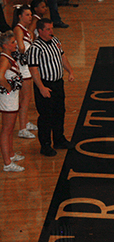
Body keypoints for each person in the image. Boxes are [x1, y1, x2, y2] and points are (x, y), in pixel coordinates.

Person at [27, 18, 75, 157]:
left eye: (51, 28)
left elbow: (63, 57)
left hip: (58, 83)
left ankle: (59, 139)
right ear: (40, 31)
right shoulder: (35, 48)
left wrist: (70, 71)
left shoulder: (55, 40)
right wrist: (41, 87)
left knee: (60, 111)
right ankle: (45, 145)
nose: (51, 31)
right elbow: (34, 70)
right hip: (45, 84)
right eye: (48, 29)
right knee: (46, 116)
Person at [0, 31, 24, 172]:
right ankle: (7, 163)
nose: (16, 44)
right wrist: (8, 88)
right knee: (6, 130)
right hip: (7, 98)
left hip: (11, 97)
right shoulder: (4, 59)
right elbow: (0, 76)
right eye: (13, 42)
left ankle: (11, 154)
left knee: (10, 129)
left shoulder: (8, 57)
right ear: (5, 45)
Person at [11, 6, 37, 140]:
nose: (30, 17)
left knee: (27, 97)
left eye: (30, 14)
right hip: (23, 68)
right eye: (27, 15)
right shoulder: (18, 29)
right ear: (20, 16)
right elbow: (20, 47)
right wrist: (29, 54)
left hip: (26, 67)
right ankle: (22, 128)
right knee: (25, 98)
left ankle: (25, 122)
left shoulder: (26, 30)